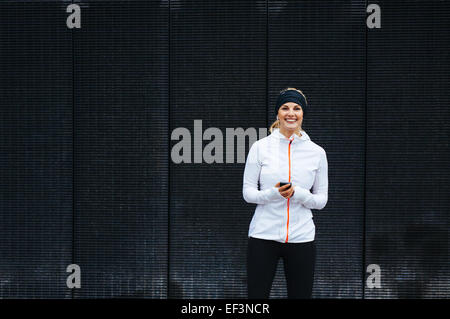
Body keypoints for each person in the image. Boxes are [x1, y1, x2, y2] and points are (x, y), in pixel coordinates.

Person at [242, 87, 328, 299]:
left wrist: (298, 194)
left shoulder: (316, 152)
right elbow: (248, 193)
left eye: (297, 108)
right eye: (285, 108)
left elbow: (321, 200)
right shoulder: (260, 147)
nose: (291, 113)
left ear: (303, 113)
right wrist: (272, 194)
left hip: (302, 238)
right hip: (263, 235)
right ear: (277, 113)